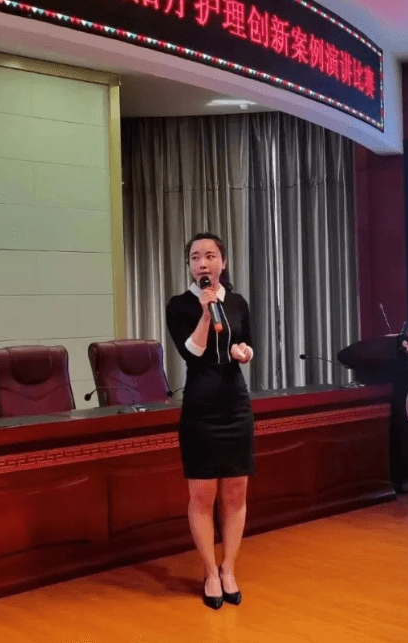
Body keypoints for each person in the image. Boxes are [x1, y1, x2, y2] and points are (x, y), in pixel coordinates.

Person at [165, 232, 255, 610]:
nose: (202, 263)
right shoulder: (180, 305)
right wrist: (205, 313)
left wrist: (243, 351)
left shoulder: (236, 302)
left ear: (223, 262)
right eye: (195, 257)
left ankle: (228, 567)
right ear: (190, 266)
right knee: (202, 496)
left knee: (235, 494)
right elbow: (192, 352)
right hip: (201, 408)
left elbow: (244, 342)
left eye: (210, 256)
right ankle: (210, 572)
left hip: (236, 404)